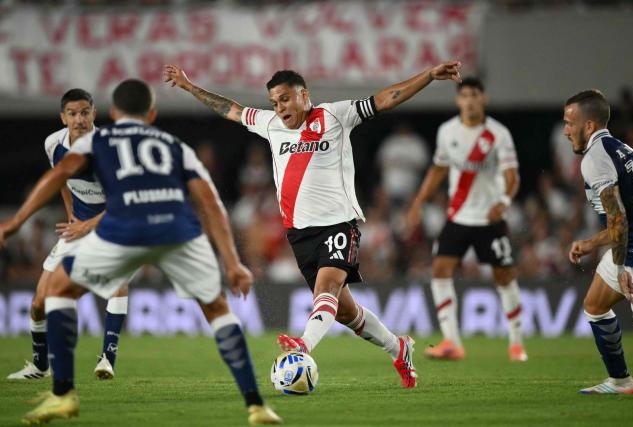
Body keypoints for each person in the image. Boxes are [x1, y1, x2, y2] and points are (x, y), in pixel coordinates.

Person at [164, 59, 462, 389]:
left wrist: (429, 76)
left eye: (285, 99)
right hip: (300, 235)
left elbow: (386, 98)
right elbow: (229, 109)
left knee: (327, 289)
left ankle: (304, 346)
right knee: (347, 313)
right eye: (274, 102)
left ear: (304, 95)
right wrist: (191, 87)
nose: (279, 108)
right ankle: (398, 347)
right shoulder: (269, 124)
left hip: (339, 224)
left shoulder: (336, 115)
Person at [0, 79, 282, 425]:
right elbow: (210, 203)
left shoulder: (98, 140)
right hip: (177, 230)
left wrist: (15, 223)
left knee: (57, 290)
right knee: (218, 308)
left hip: (125, 228)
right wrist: (233, 262)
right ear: (151, 115)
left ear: (113, 113)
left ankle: (63, 395)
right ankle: (256, 405)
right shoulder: (174, 145)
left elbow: (58, 176)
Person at [7, 89, 129, 381]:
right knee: (38, 303)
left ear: (94, 114)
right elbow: (61, 179)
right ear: (63, 117)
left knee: (118, 284)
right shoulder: (53, 144)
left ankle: (107, 358)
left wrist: (87, 226)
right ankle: (40, 366)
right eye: (72, 114)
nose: (79, 119)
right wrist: (72, 214)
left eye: (85, 112)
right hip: (79, 227)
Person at [406, 77, 527, 362]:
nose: (470, 100)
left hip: (489, 217)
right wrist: (418, 202)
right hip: (458, 216)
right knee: (439, 270)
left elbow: (513, 177)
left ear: (483, 98)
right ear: (458, 100)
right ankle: (452, 342)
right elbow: (438, 169)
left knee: (504, 275)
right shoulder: (447, 131)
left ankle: (516, 343)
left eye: (475, 94)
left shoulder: (498, 134)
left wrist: (505, 201)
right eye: (465, 95)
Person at [564, 89, 633, 394]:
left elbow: (619, 218)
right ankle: (620, 381)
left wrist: (621, 265)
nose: (566, 130)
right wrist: (592, 243)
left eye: (570, 123)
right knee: (595, 305)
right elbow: (625, 217)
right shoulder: (620, 148)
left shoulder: (594, 157)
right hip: (629, 241)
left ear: (589, 126)